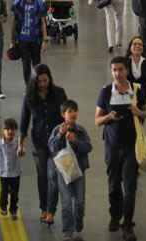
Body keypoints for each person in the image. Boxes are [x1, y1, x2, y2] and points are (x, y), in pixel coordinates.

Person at [94, 57, 146, 241]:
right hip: (112, 146)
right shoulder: (105, 92)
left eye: (120, 69)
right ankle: (115, 216)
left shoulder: (137, 90)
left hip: (132, 147)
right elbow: (97, 120)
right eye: (114, 70)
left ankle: (128, 224)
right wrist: (108, 116)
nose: (117, 73)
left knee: (130, 187)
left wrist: (137, 112)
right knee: (113, 185)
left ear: (126, 71)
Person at [19, 64, 68, 225]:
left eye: (45, 81)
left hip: (57, 140)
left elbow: (67, 115)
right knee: (42, 176)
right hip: (39, 141)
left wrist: (68, 132)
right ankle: (44, 208)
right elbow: (24, 119)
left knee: (54, 176)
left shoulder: (59, 93)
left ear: (50, 79)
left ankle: (51, 210)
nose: (42, 84)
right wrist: (21, 143)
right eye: (39, 81)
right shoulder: (29, 96)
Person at [48, 100, 92, 241]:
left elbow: (88, 147)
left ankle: (78, 223)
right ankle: (68, 232)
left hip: (79, 171)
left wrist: (75, 141)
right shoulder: (57, 130)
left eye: (75, 110)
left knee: (79, 202)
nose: (73, 113)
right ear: (63, 114)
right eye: (69, 111)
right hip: (63, 172)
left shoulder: (81, 130)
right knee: (66, 202)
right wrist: (61, 135)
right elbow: (52, 148)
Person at [10, 0, 49, 86]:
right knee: (25, 64)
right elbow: (15, 22)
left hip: (36, 39)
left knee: (37, 64)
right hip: (23, 40)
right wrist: (12, 40)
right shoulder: (18, 4)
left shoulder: (39, 4)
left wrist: (45, 38)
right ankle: (28, 86)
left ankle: (37, 84)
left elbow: (42, 22)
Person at [0, 118, 22, 220]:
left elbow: (21, 152)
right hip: (4, 173)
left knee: (15, 193)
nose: (10, 131)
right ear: (3, 131)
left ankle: (13, 210)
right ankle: (3, 206)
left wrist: (21, 149)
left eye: (13, 129)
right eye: (7, 129)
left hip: (15, 173)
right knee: (4, 191)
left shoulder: (18, 142)